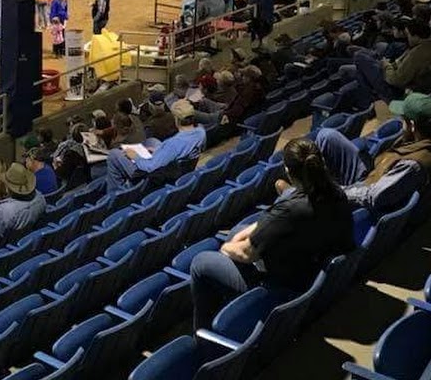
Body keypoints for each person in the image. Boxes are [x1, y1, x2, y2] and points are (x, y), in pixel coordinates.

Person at [189, 138, 354, 332]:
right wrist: (250, 231)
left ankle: (202, 331)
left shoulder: (292, 210)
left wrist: (226, 247)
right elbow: (273, 220)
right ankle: (233, 309)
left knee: (200, 262)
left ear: (288, 171)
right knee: (238, 230)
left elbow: (246, 253)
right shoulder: (334, 191)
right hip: (312, 265)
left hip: (284, 285)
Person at [313, 92, 431, 213]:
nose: (401, 122)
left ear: (412, 125)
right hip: (374, 174)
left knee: (307, 194)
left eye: (403, 118)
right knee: (327, 135)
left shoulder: (413, 165)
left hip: (365, 192)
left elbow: (372, 197)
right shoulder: (418, 139)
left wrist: (333, 191)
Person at [351, 19, 431, 103]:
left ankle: (369, 101)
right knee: (360, 69)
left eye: (408, 35)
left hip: (395, 90)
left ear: (416, 36)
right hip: (395, 77)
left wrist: (386, 65)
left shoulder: (418, 53)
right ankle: (369, 100)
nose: (407, 37)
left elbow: (396, 80)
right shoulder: (421, 48)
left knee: (359, 57)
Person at [105, 124, 206, 191]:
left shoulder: (173, 144)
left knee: (114, 154)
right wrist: (159, 151)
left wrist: (135, 156)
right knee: (151, 141)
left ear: (177, 120)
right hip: (175, 169)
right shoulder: (200, 132)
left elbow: (150, 167)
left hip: (155, 176)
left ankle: (115, 196)